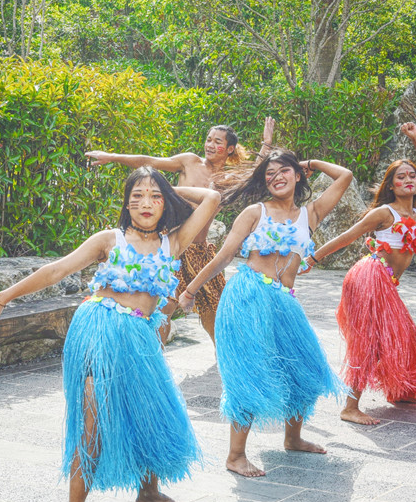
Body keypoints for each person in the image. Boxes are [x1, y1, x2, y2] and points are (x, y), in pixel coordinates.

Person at [0, 168, 221, 502]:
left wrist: (165, 187)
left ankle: (148, 492)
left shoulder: (172, 242)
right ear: (126, 202)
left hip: (141, 337)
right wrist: (3, 297)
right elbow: (57, 269)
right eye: (137, 195)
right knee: (92, 417)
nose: (146, 203)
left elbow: (212, 199)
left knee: (148, 412)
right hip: (101, 330)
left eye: (154, 197)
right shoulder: (109, 239)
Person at [180, 149, 352, 477]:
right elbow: (224, 257)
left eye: (283, 171)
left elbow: (344, 176)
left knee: (303, 367)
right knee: (250, 371)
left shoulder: (310, 213)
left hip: (284, 299)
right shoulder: (254, 212)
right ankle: (235, 455)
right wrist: (191, 290)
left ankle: (293, 438)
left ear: (298, 175)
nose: (276, 178)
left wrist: (309, 163)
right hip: (247, 294)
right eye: (269, 174)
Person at [84, 118, 276, 342]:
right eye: (208, 140)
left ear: (229, 148)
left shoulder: (227, 179)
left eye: (217, 142)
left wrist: (267, 143)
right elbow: (150, 161)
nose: (210, 145)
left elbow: (256, 172)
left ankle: (224, 360)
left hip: (200, 252)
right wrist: (113, 157)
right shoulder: (190, 162)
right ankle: (157, 357)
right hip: (172, 246)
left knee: (215, 309)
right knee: (166, 307)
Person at [310, 123, 416, 425]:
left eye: (412, 175)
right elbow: (348, 236)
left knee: (406, 335)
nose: (409, 179)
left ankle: (400, 390)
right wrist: (314, 257)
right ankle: (350, 406)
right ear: (392, 186)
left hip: (388, 282)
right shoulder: (385, 213)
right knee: (370, 341)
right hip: (370, 277)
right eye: (402, 176)